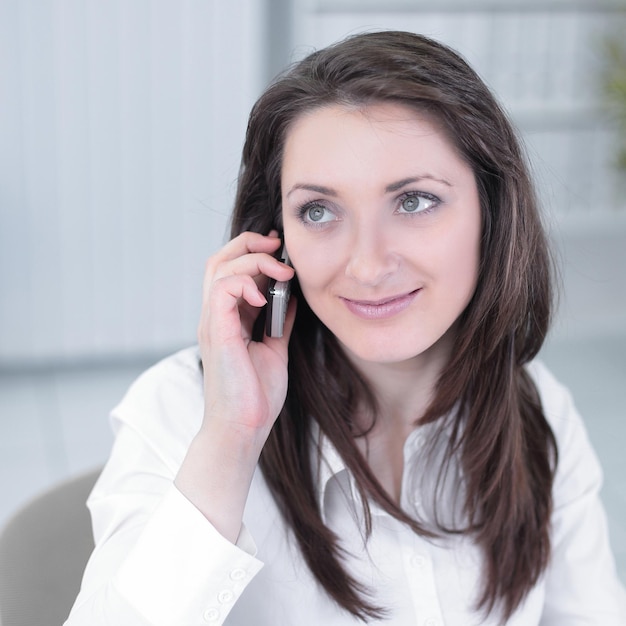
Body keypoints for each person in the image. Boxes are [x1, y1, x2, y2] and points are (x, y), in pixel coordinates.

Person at [65, 31, 626, 625]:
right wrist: (232, 439)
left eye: (413, 201)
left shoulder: (538, 414)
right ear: (275, 237)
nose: (366, 264)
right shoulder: (183, 411)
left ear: (493, 210)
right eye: (318, 211)